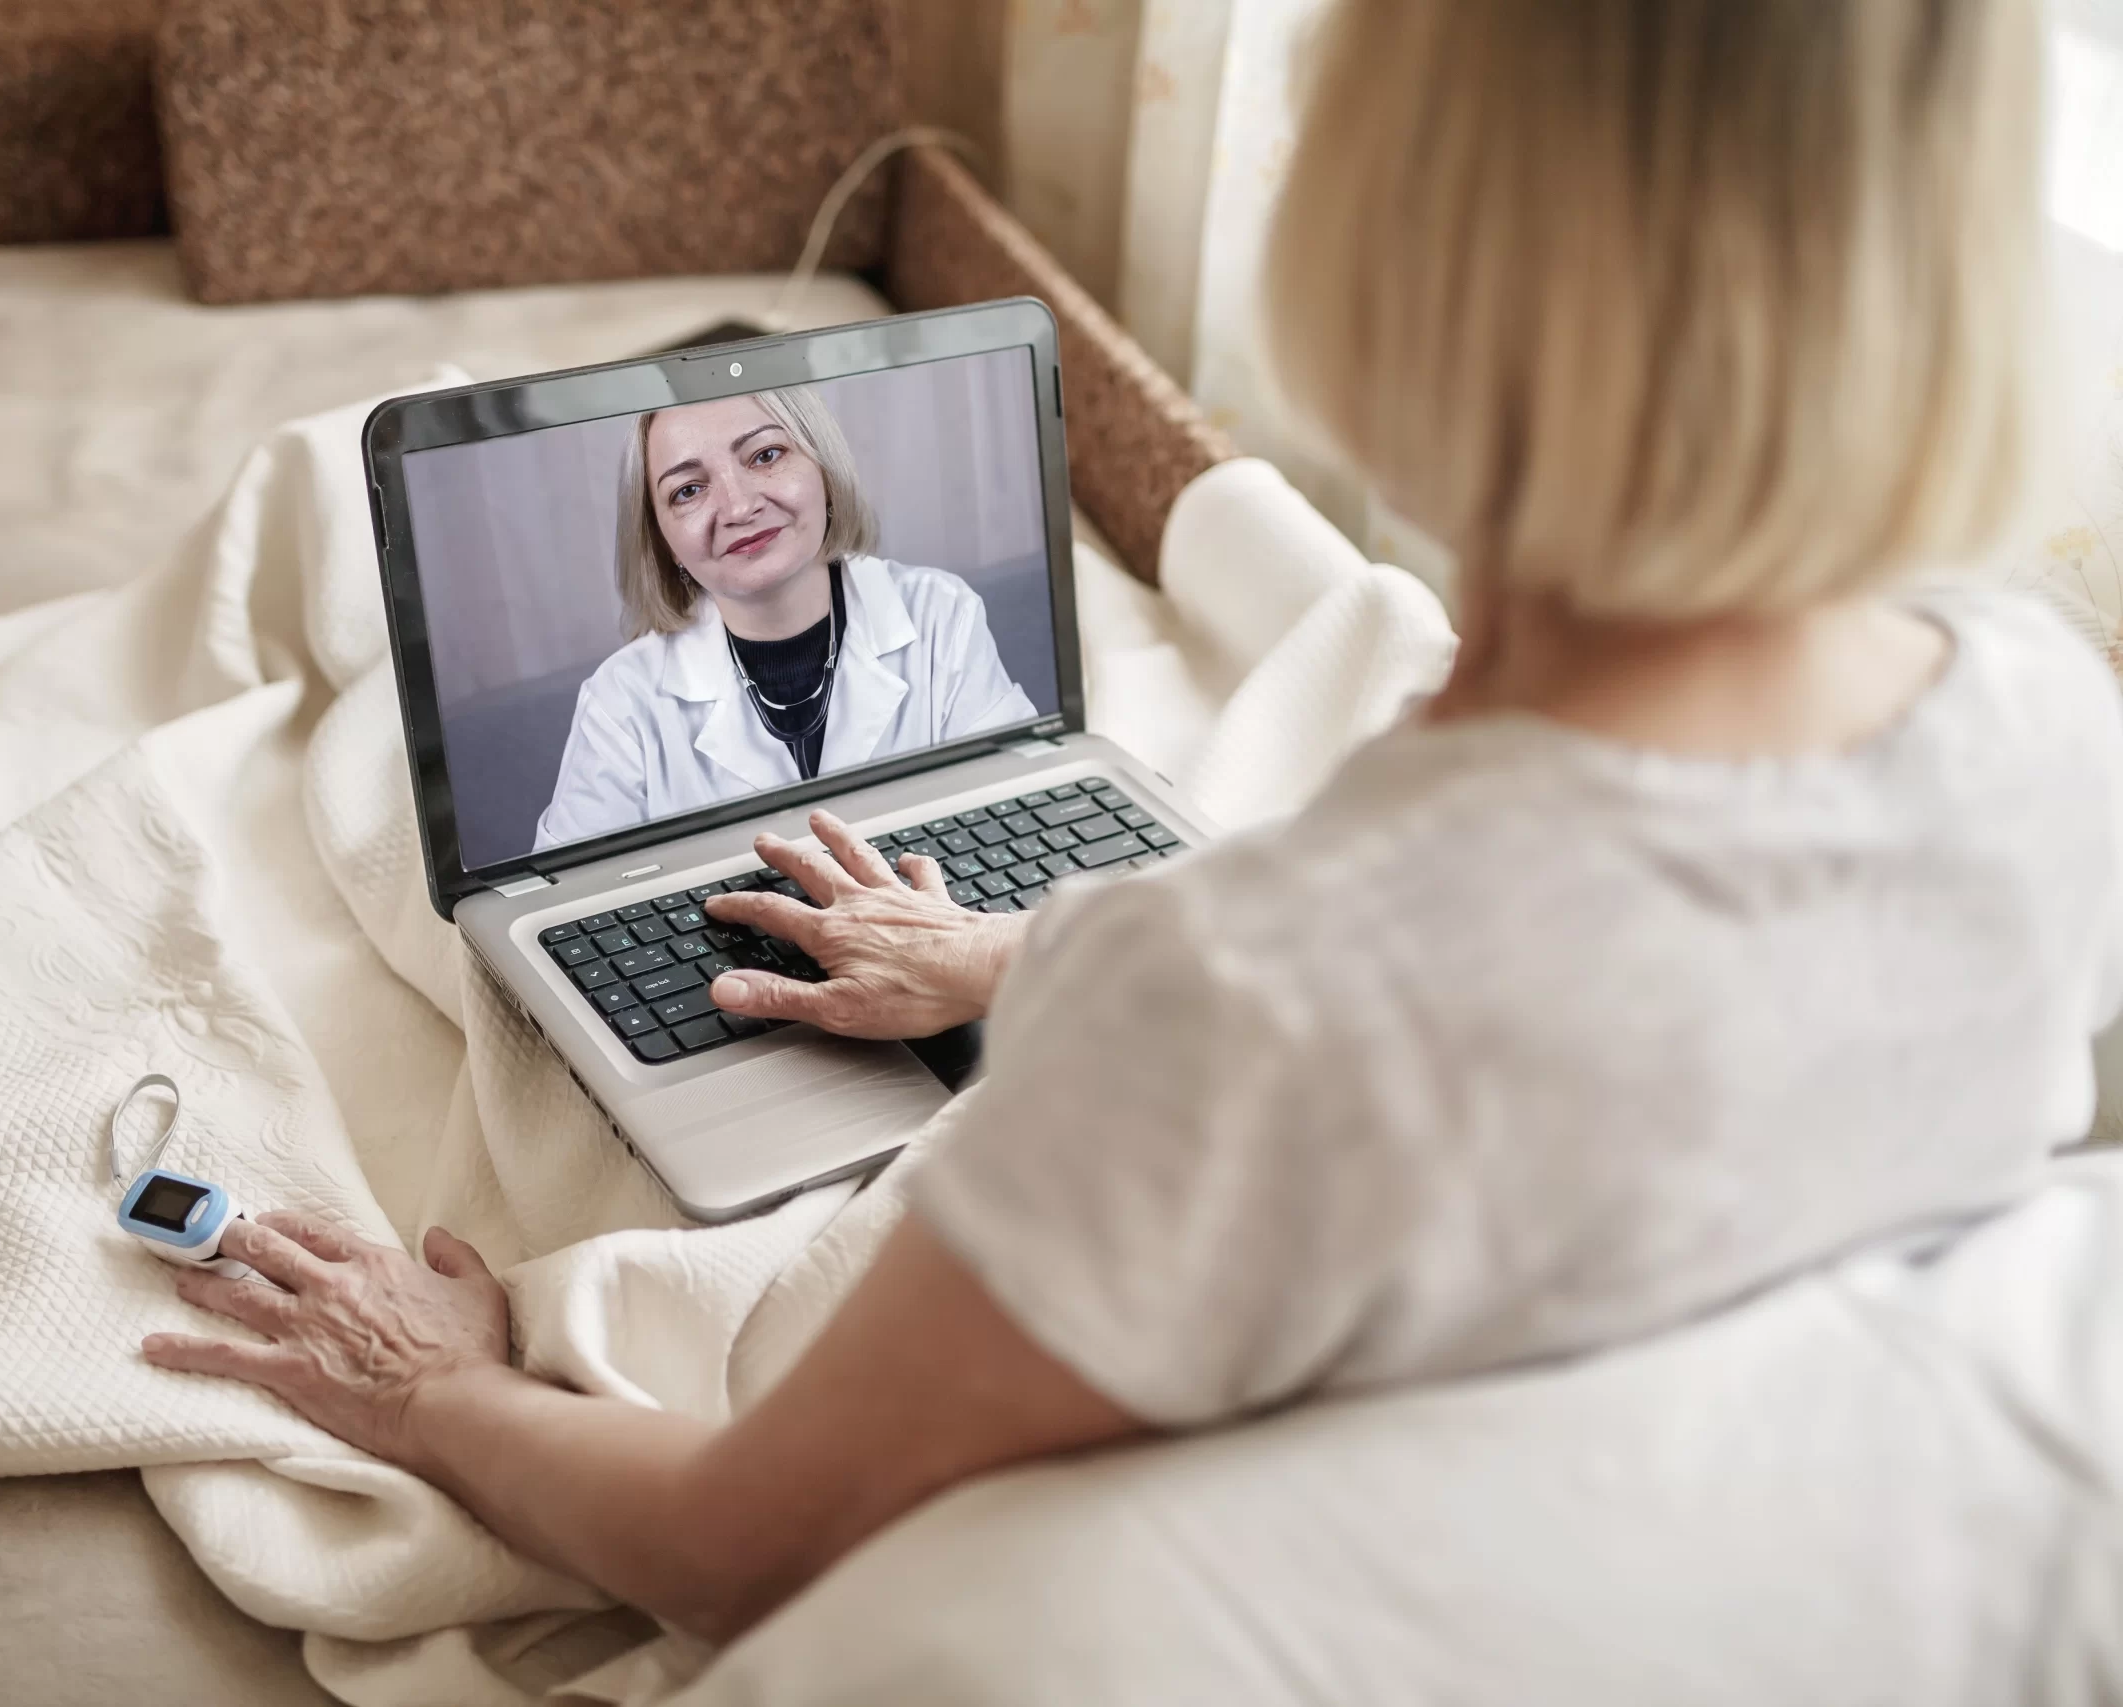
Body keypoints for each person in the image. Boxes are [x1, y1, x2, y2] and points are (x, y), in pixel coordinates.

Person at [148, 0, 2108, 1650]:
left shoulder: (1253, 995)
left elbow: (747, 1544)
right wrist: (1025, 956)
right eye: (685, 488)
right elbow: (1576, 998)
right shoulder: (2043, 717)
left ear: (1395, 240)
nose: (731, 497)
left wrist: (446, 1393)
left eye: (763, 454)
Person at [531, 386, 1039, 851]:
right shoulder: (620, 702)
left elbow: (1023, 820)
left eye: (765, 455)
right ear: (665, 545)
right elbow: (564, 904)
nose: (738, 506)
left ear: (825, 473)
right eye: (688, 490)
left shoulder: (939, 615)